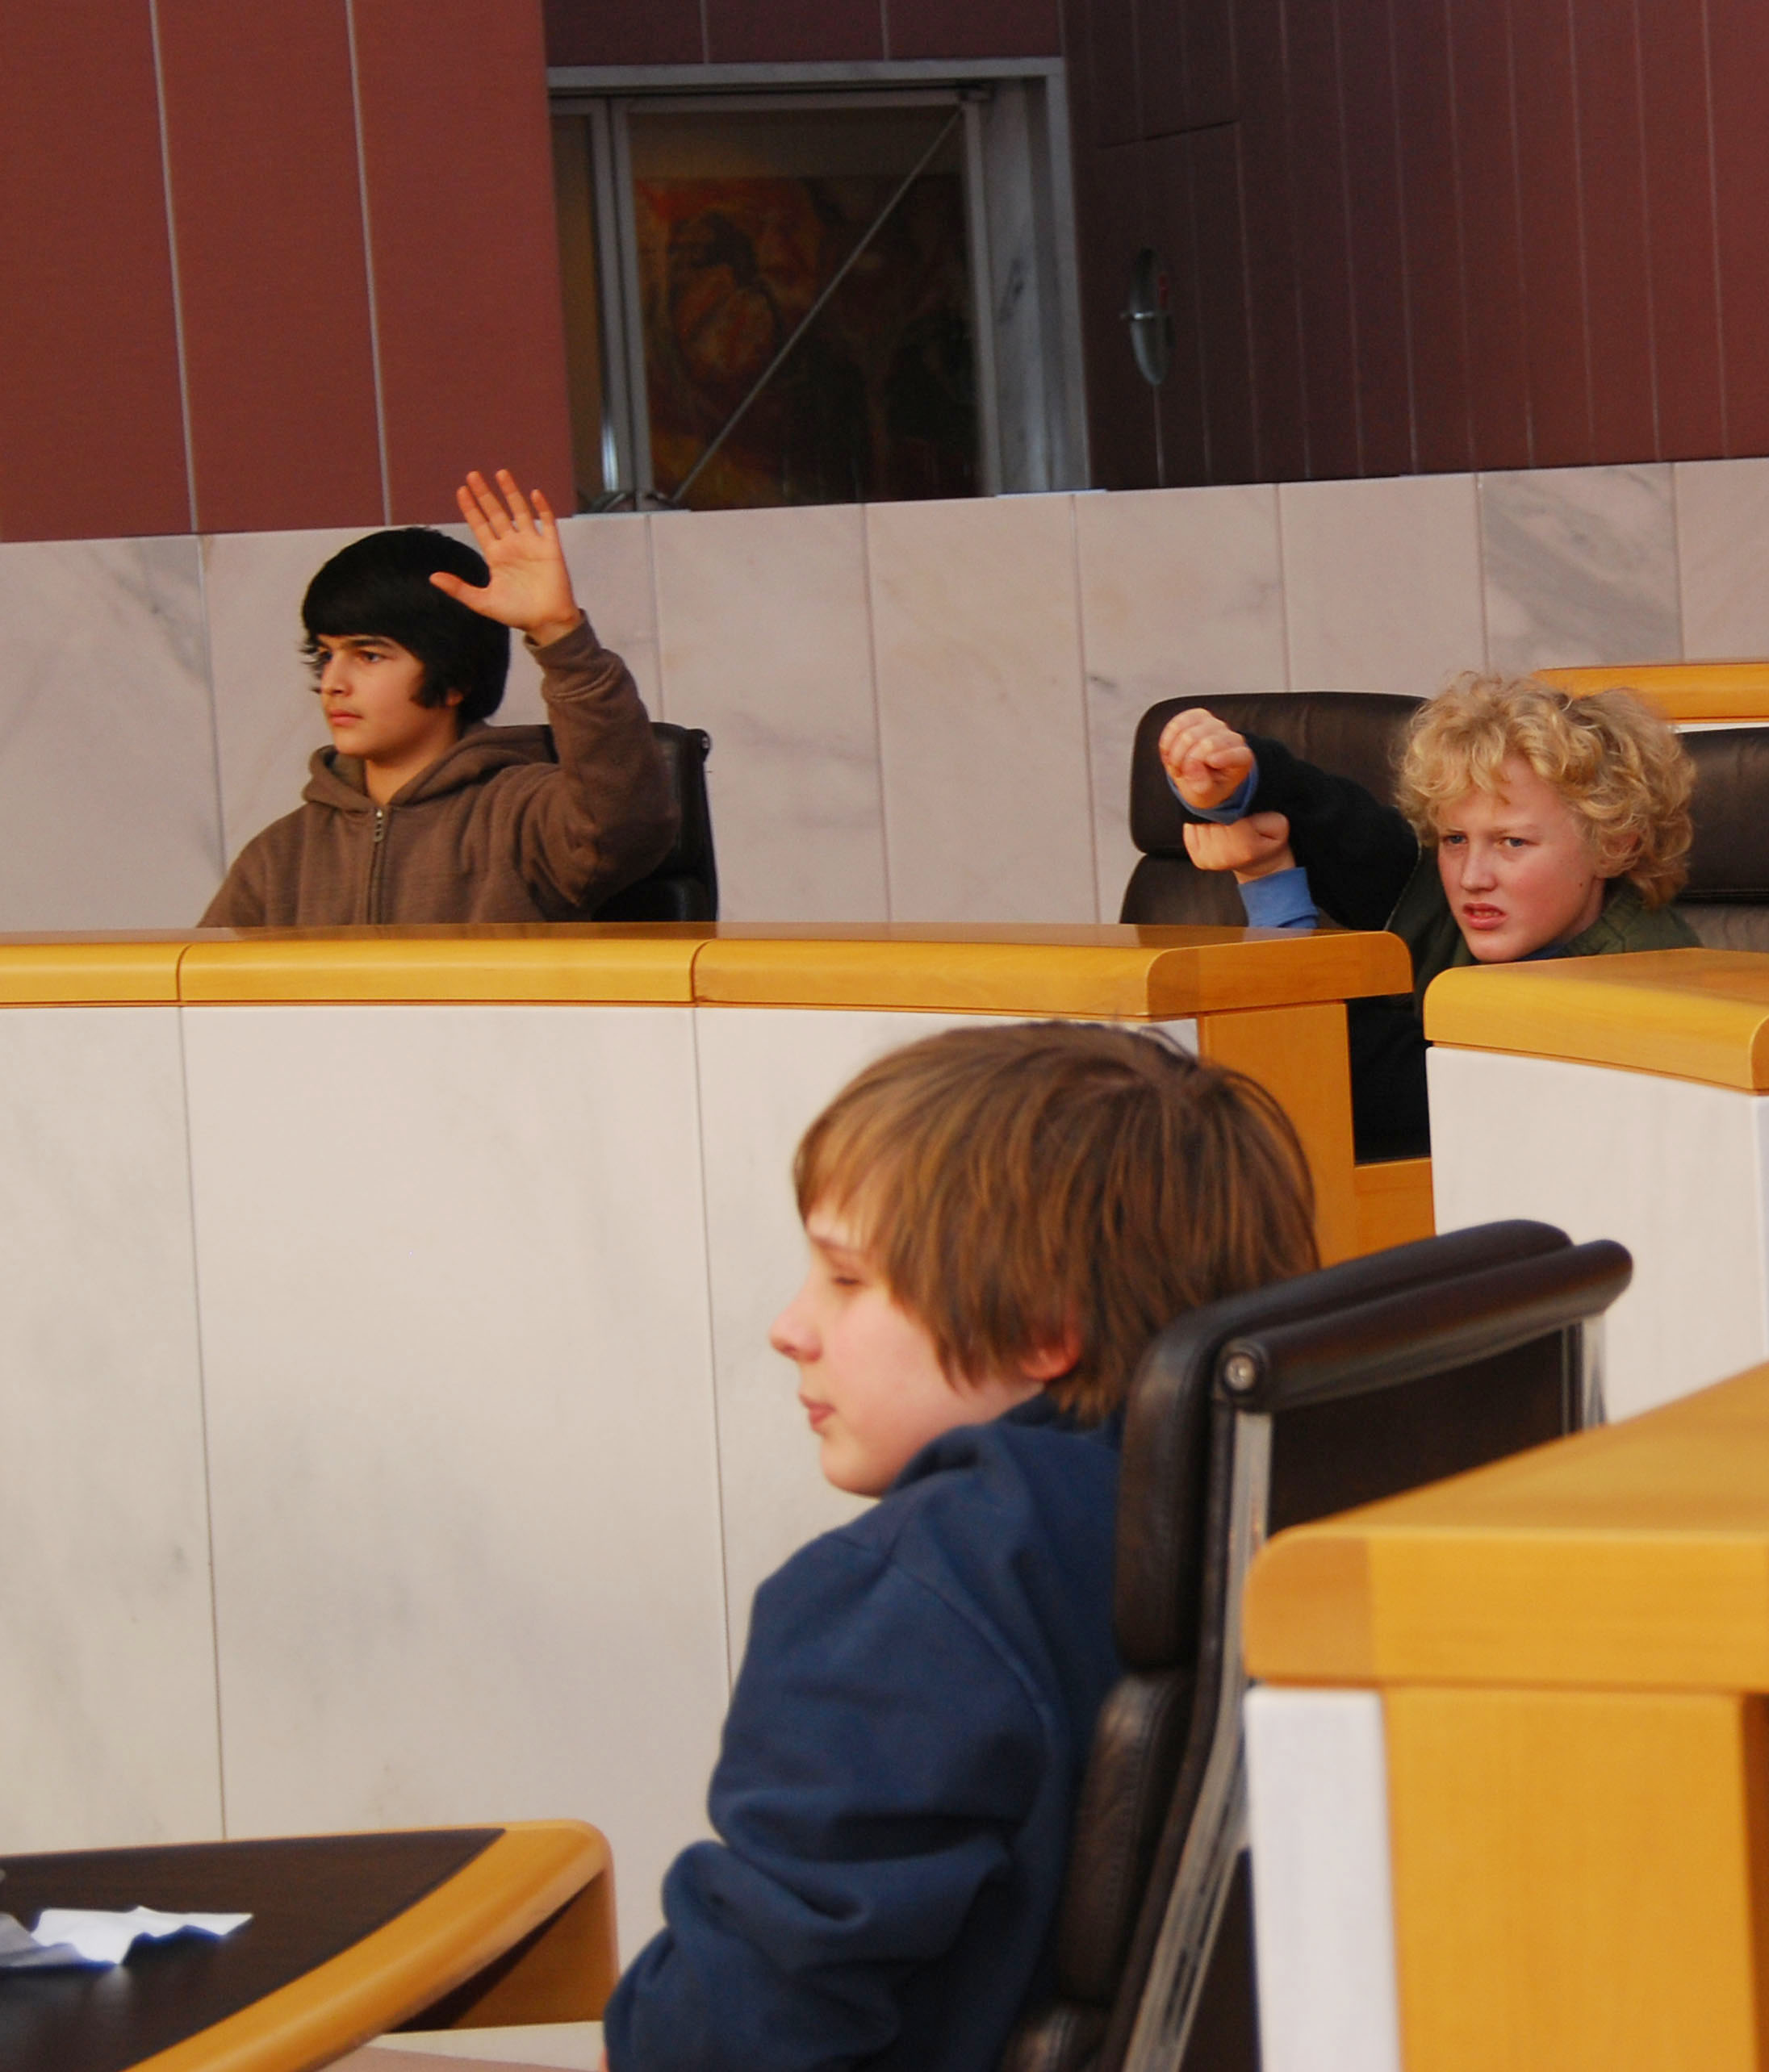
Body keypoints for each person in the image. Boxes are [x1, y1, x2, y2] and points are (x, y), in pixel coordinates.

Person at [605, 1022, 1316, 2072]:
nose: (791, 1328)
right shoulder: (1277, 1500)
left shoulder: (911, 1599)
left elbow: (731, 2038)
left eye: (847, 1280)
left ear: (1041, 1327)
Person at [1158, 673, 1701, 1155]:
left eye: (1512, 842)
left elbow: (1372, 1089)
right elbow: (1340, 823)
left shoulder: (1639, 987)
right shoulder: (1467, 899)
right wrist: (1230, 778)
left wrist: (1269, 884)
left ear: (1615, 846)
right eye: (1454, 838)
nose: (1472, 877)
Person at [199, 469, 679, 926]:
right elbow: (196, 979)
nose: (333, 683)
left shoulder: (522, 817)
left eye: (368, 656)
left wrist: (560, 635)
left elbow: (623, 827)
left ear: (454, 680)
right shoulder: (280, 856)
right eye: (326, 655)